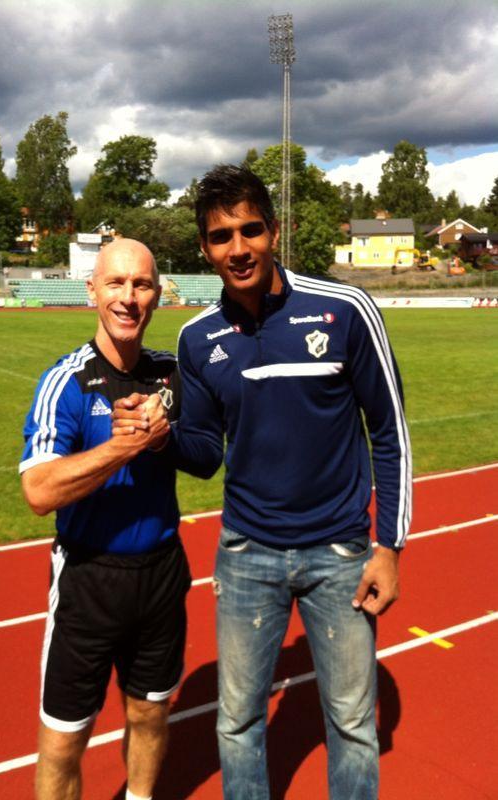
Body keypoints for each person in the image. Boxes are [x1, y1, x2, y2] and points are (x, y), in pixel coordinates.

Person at [114, 165, 412, 799]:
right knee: (239, 722)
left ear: (275, 231)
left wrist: (388, 546)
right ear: (204, 248)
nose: (239, 248)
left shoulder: (345, 309)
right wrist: (158, 436)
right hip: (247, 556)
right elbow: (203, 454)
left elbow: (389, 433)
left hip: (341, 554)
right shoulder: (198, 339)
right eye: (222, 237)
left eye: (251, 230)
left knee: (354, 725)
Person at [20, 239, 189, 800]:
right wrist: (123, 447)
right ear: (91, 290)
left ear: (157, 295)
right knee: (64, 742)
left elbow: (211, 447)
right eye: (116, 283)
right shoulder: (63, 382)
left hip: (162, 575)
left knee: (149, 714)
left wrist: (167, 429)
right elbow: (39, 491)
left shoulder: (172, 376)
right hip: (88, 581)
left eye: (141, 285)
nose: (128, 297)